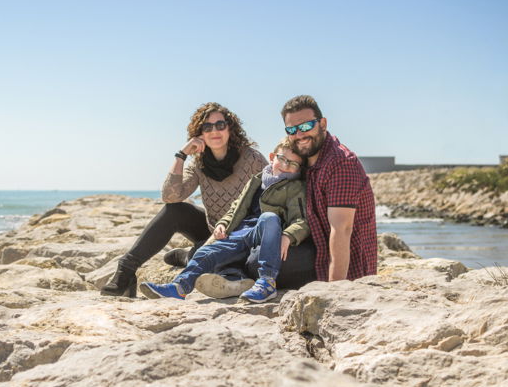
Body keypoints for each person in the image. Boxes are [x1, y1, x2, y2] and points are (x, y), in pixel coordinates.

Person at [100, 102, 267, 297]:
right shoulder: (198, 163)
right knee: (175, 211)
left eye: (220, 125)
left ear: (230, 128)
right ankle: (125, 271)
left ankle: (186, 256)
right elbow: (170, 196)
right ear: (199, 134)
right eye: (207, 127)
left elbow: (273, 193)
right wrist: (181, 155)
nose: (214, 131)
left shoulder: (251, 158)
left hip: (245, 233)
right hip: (214, 230)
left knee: (206, 254)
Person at [138, 139, 310, 303]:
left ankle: (267, 282)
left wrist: (289, 235)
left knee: (269, 217)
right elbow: (236, 207)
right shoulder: (256, 180)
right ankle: (179, 287)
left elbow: (302, 219)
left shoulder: (295, 188)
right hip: (241, 231)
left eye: (293, 164)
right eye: (282, 159)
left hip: (264, 232)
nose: (286, 166)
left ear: (298, 169)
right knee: (207, 251)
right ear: (272, 157)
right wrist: (223, 224)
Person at [281, 95, 377, 281]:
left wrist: (334, 291)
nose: (300, 134)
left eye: (306, 126)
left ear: (322, 124)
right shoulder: (304, 161)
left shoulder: (341, 163)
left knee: (257, 263)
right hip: (315, 250)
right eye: (292, 129)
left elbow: (342, 229)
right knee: (257, 252)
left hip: (346, 268)